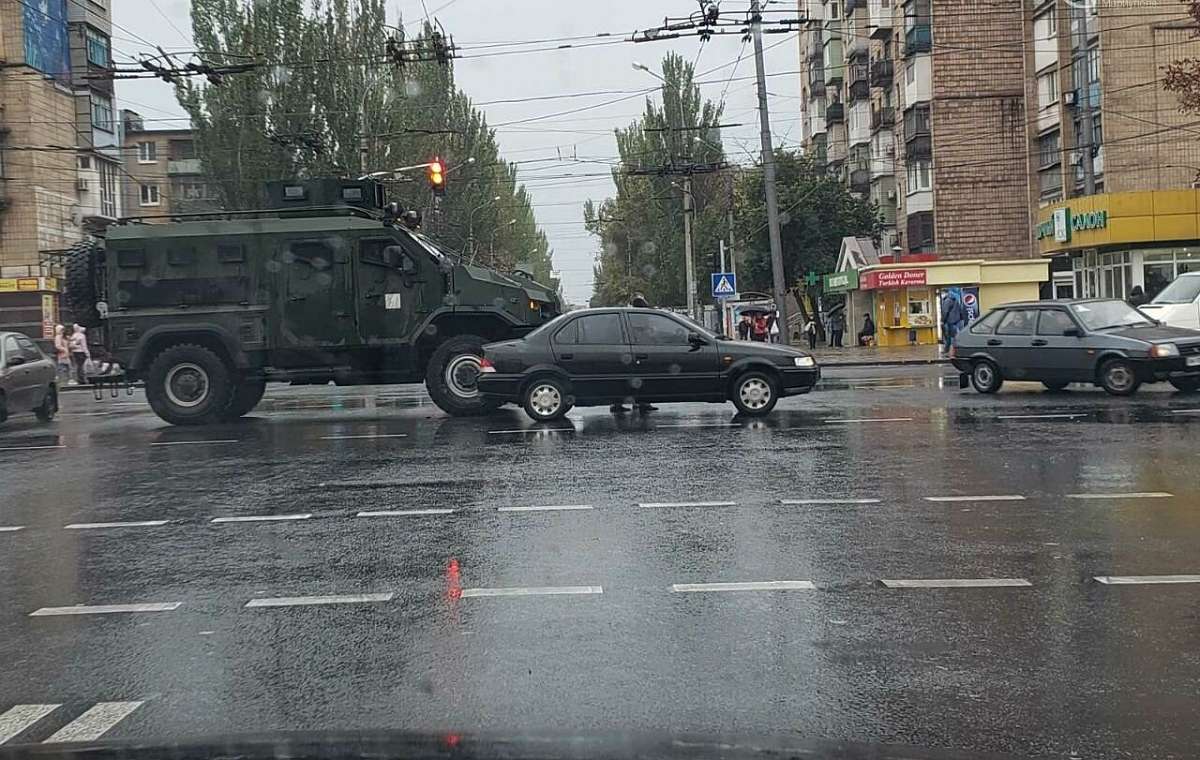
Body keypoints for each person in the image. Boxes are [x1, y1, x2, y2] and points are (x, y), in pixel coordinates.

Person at [611, 294, 657, 415]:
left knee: (628, 379)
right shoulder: (641, 317)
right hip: (639, 353)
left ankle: (618, 403)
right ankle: (641, 403)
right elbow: (645, 336)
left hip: (628, 353)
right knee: (640, 379)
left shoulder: (630, 316)